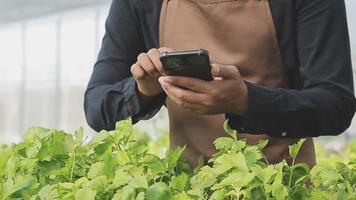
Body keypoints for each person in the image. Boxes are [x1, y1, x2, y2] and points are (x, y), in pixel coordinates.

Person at [84, 0, 355, 167]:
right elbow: (97, 107)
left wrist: (247, 101)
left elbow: (336, 104)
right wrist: (144, 90)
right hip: (187, 187)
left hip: (282, 185)